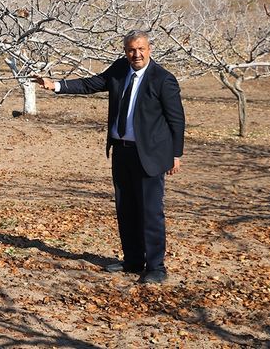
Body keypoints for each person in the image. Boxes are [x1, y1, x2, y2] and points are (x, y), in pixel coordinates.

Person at [33, 30, 185, 284]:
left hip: (149, 155)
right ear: (125, 51)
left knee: (150, 212)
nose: (136, 54)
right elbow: (91, 84)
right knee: (126, 209)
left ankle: (156, 266)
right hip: (121, 151)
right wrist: (56, 85)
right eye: (131, 50)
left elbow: (176, 120)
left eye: (141, 49)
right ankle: (133, 260)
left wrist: (176, 154)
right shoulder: (120, 69)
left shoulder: (163, 79)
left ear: (149, 49)